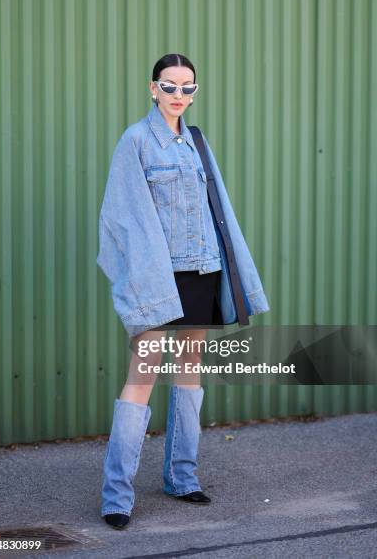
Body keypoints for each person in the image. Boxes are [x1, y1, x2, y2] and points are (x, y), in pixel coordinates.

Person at [96, 53, 269, 529]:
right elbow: (123, 219)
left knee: (190, 366)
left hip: (203, 271)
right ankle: (117, 495)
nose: (178, 96)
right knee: (145, 370)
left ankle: (182, 476)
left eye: (187, 87)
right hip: (158, 275)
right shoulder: (135, 141)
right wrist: (144, 283)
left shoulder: (196, 141)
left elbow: (218, 212)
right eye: (169, 87)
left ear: (196, 91)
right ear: (152, 88)